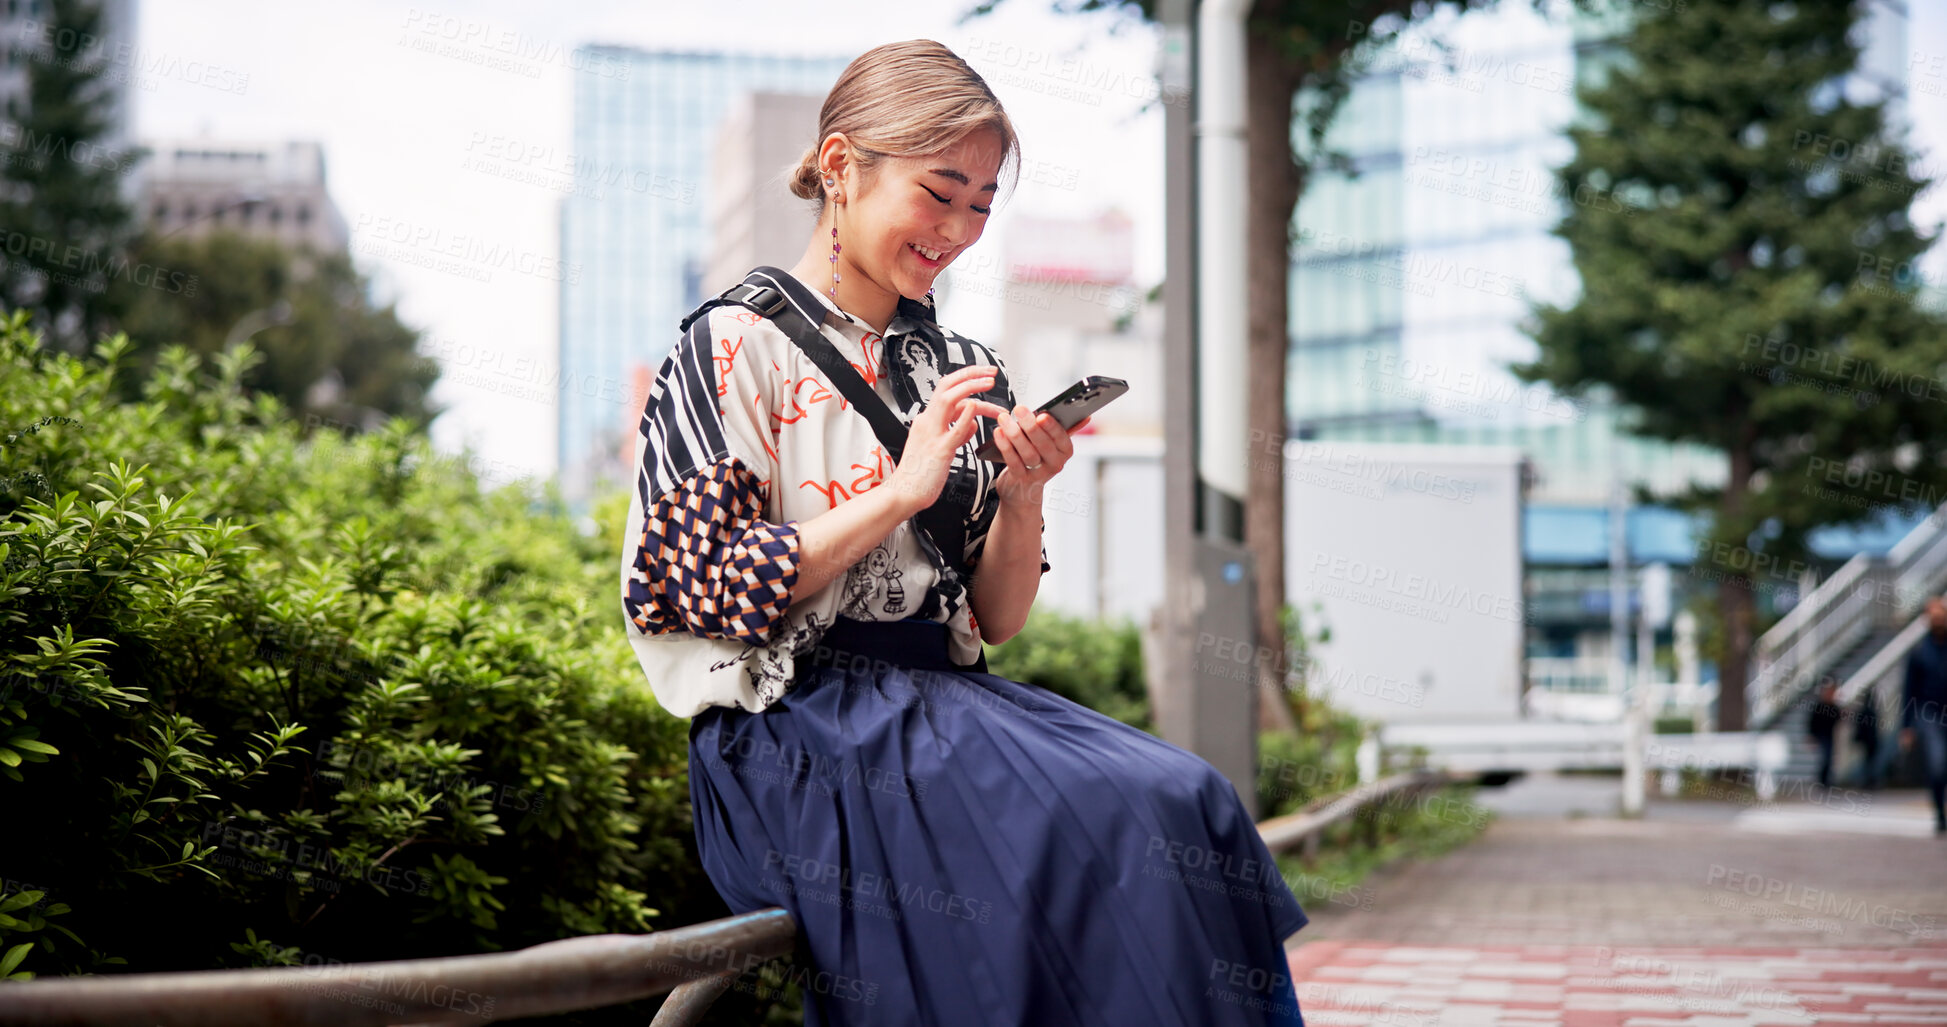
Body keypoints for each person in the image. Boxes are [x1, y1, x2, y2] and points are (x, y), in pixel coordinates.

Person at [618, 40, 1308, 1026]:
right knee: (1101, 827)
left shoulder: (960, 364)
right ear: (842, 167)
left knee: (1188, 800)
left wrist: (1022, 494)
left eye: (981, 205)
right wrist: (901, 492)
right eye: (940, 193)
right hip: (792, 729)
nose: (958, 230)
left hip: (944, 709)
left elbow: (996, 618)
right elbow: (711, 589)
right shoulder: (730, 347)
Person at [1901, 596, 1947, 834]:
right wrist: (1906, 727)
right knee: (1937, 764)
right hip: (1930, 715)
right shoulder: (1919, 652)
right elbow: (1909, 692)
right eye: (1933, 616)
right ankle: (1940, 813)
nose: (1938, 619)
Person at [1806, 678, 1843, 790]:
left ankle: (1825, 781)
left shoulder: (1834, 707)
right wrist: (1811, 736)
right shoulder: (1819, 706)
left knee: (1829, 758)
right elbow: (1812, 722)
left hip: (1830, 735)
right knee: (1825, 757)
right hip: (1821, 735)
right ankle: (1822, 781)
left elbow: (1838, 719)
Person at [1850, 687, 1882, 790]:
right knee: (1870, 762)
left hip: (1867, 740)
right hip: (1871, 740)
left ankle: (1868, 781)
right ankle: (1870, 781)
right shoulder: (1872, 711)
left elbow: (1858, 727)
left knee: (1867, 762)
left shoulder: (1863, 711)